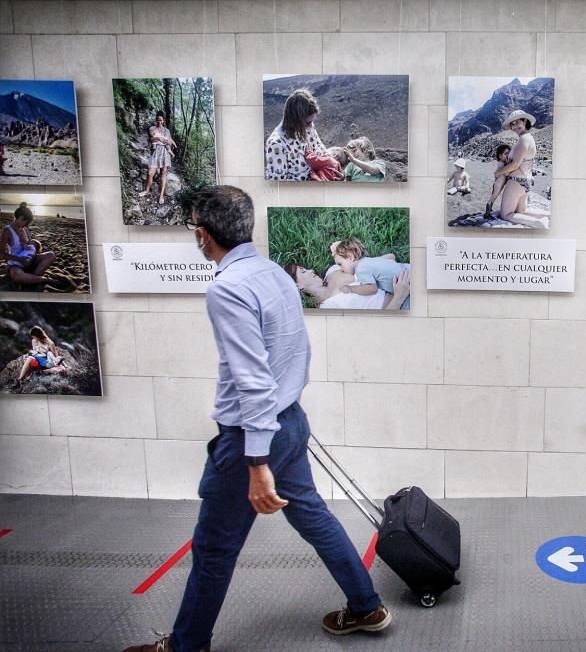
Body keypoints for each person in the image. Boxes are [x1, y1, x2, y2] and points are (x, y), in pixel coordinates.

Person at [124, 186, 391, 652]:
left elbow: (251, 380)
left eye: (193, 228)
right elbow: (295, 355)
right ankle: (367, 607)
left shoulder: (227, 287)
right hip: (288, 423)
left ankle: (186, 646)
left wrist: (256, 461)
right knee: (315, 519)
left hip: (254, 436)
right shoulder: (271, 273)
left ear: (203, 235)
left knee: (213, 549)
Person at [493, 110, 547, 228]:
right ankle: (548, 216)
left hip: (517, 182)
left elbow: (515, 164)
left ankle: (539, 223)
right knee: (521, 212)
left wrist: (498, 172)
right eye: (512, 124)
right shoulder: (529, 138)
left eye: (517, 122)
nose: (514, 126)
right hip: (526, 181)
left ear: (525, 121)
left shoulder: (524, 139)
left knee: (506, 214)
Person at [285, 263, 410, 311]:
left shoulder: (333, 271)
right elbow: (380, 326)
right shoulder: (328, 308)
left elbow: (370, 262)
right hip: (403, 302)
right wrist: (399, 295)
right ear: (297, 287)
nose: (311, 270)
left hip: (403, 272)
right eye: (303, 271)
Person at [265, 89, 328, 181]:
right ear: (295, 119)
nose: (311, 126)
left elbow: (320, 147)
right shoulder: (276, 144)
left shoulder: (308, 126)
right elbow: (277, 185)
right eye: (308, 122)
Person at [331, 237, 410, 310]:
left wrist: (350, 288)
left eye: (340, 264)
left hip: (407, 283)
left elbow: (372, 289)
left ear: (350, 257)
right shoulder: (368, 261)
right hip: (407, 269)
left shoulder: (360, 269)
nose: (341, 269)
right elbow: (391, 257)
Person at [2, 202, 56, 287]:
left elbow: (30, 246)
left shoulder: (25, 229)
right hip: (17, 264)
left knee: (51, 255)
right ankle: (42, 279)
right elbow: (1, 254)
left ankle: (31, 277)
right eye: (26, 223)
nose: (26, 226)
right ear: (20, 218)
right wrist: (20, 259)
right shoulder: (7, 231)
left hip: (29, 260)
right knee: (16, 275)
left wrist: (32, 255)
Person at [138, 111, 178, 205]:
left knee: (163, 174)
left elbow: (169, 142)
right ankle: (147, 190)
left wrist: (170, 145)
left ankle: (161, 195)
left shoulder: (166, 131)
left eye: (161, 120)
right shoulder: (152, 129)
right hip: (155, 152)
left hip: (164, 153)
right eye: (158, 120)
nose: (159, 122)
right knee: (150, 172)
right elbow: (149, 139)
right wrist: (158, 139)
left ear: (163, 121)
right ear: (156, 120)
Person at [483, 143, 512, 219]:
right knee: (493, 198)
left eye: (509, 153)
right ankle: (487, 213)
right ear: (500, 156)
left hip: (498, 184)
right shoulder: (501, 163)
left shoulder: (503, 163)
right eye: (506, 154)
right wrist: (509, 164)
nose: (508, 155)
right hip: (498, 185)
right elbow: (506, 173)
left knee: (494, 197)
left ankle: (490, 208)